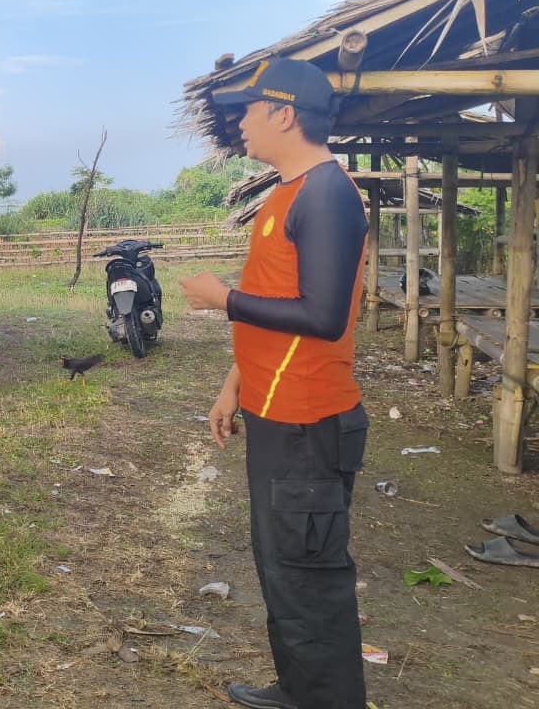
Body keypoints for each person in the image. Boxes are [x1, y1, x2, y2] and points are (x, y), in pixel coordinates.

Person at [181, 58, 370, 709]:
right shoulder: (287, 193)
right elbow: (277, 299)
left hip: (307, 423)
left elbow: (321, 316)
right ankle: (299, 690)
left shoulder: (327, 195)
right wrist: (233, 384)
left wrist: (223, 299)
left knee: (310, 575)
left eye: (250, 109)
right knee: (284, 567)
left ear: (285, 115)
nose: (240, 121)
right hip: (273, 411)